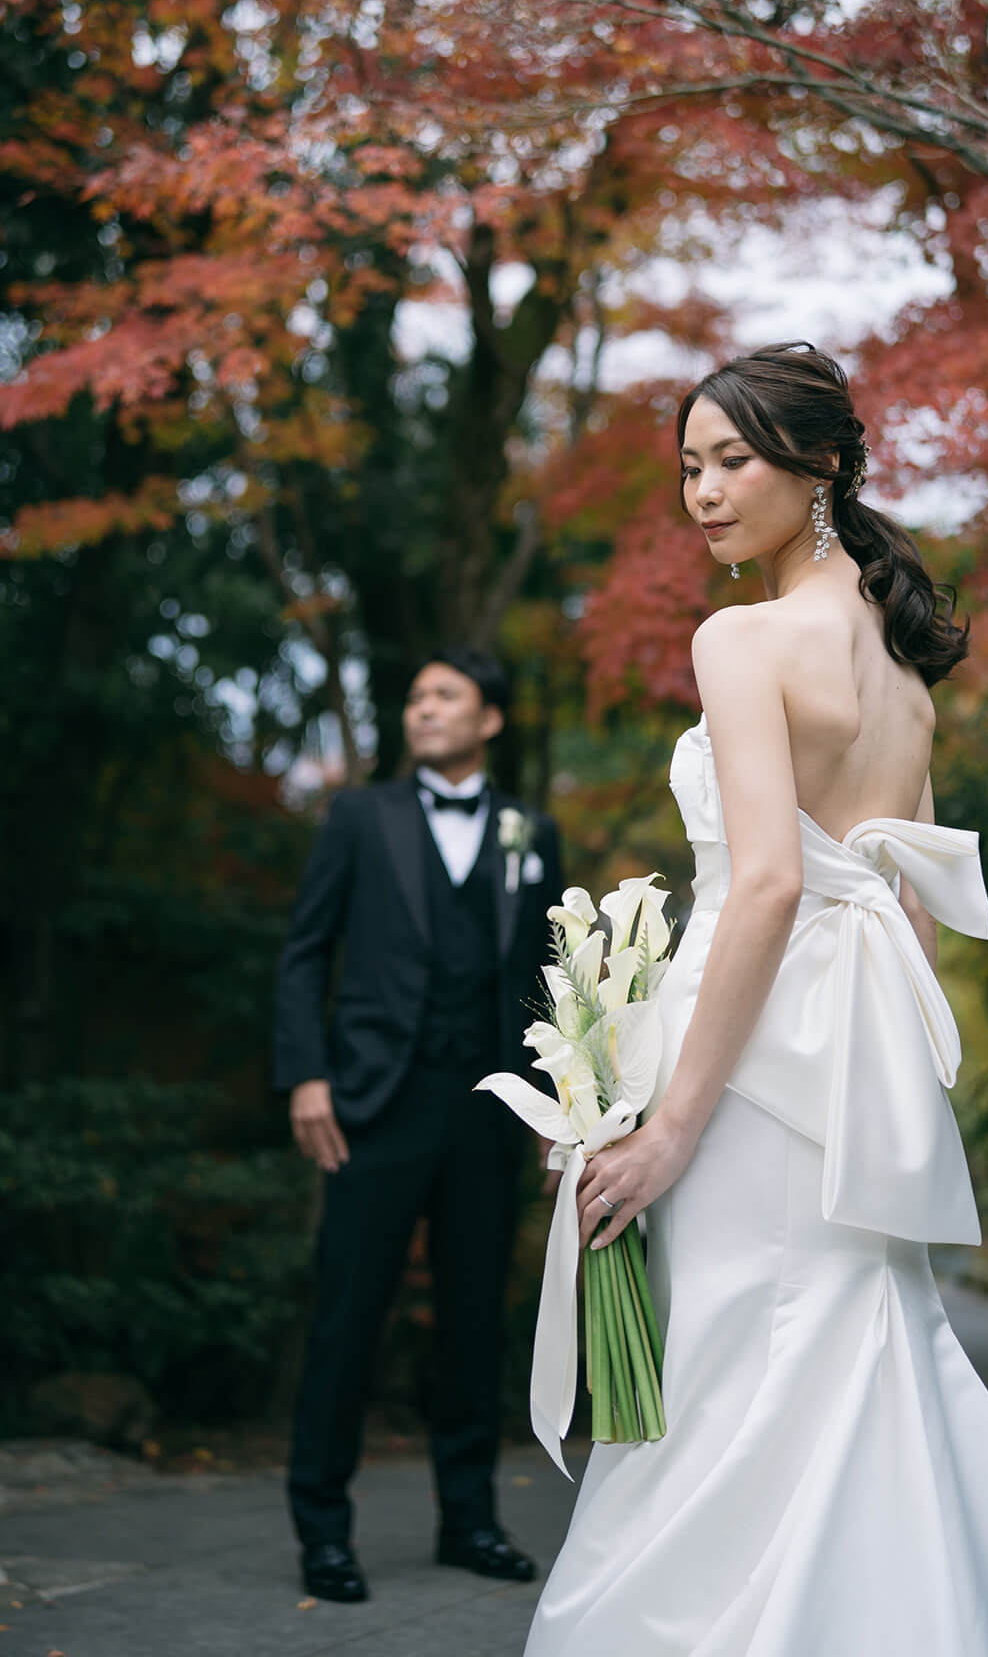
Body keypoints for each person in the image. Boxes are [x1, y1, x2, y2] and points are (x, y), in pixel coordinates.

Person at [524, 345, 988, 1655]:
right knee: (846, 1346)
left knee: (729, 1370)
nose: (701, 491)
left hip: (743, 1062)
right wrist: (899, 1087)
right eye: (689, 466)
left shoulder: (741, 638)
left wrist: (667, 1126)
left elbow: (761, 888)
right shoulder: (905, 674)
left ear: (819, 465)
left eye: (732, 460)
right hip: (853, 1054)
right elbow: (906, 902)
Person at [274, 647, 563, 1605]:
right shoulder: (361, 816)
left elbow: (546, 978)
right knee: (349, 1315)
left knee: (475, 1321)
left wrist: (558, 1111)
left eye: (445, 696)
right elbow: (305, 950)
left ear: (490, 720)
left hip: (487, 1110)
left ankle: (470, 1520)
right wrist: (307, 1075)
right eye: (414, 698)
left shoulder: (531, 830)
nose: (422, 710)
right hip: (373, 1103)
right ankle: (322, 1530)